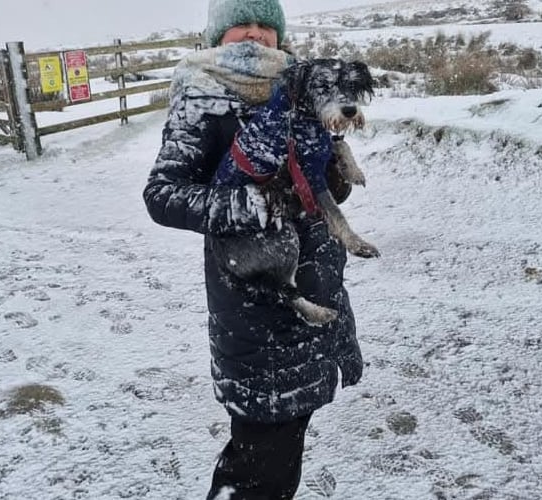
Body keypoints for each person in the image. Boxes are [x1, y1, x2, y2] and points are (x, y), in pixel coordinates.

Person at [143, 0, 363, 498]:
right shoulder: (203, 94)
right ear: (218, 34)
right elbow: (163, 195)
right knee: (260, 469)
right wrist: (253, 205)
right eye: (241, 23)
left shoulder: (304, 85)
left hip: (316, 290)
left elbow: (334, 190)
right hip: (253, 306)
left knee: (278, 455)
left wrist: (327, 171)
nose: (254, 34)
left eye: (266, 24)